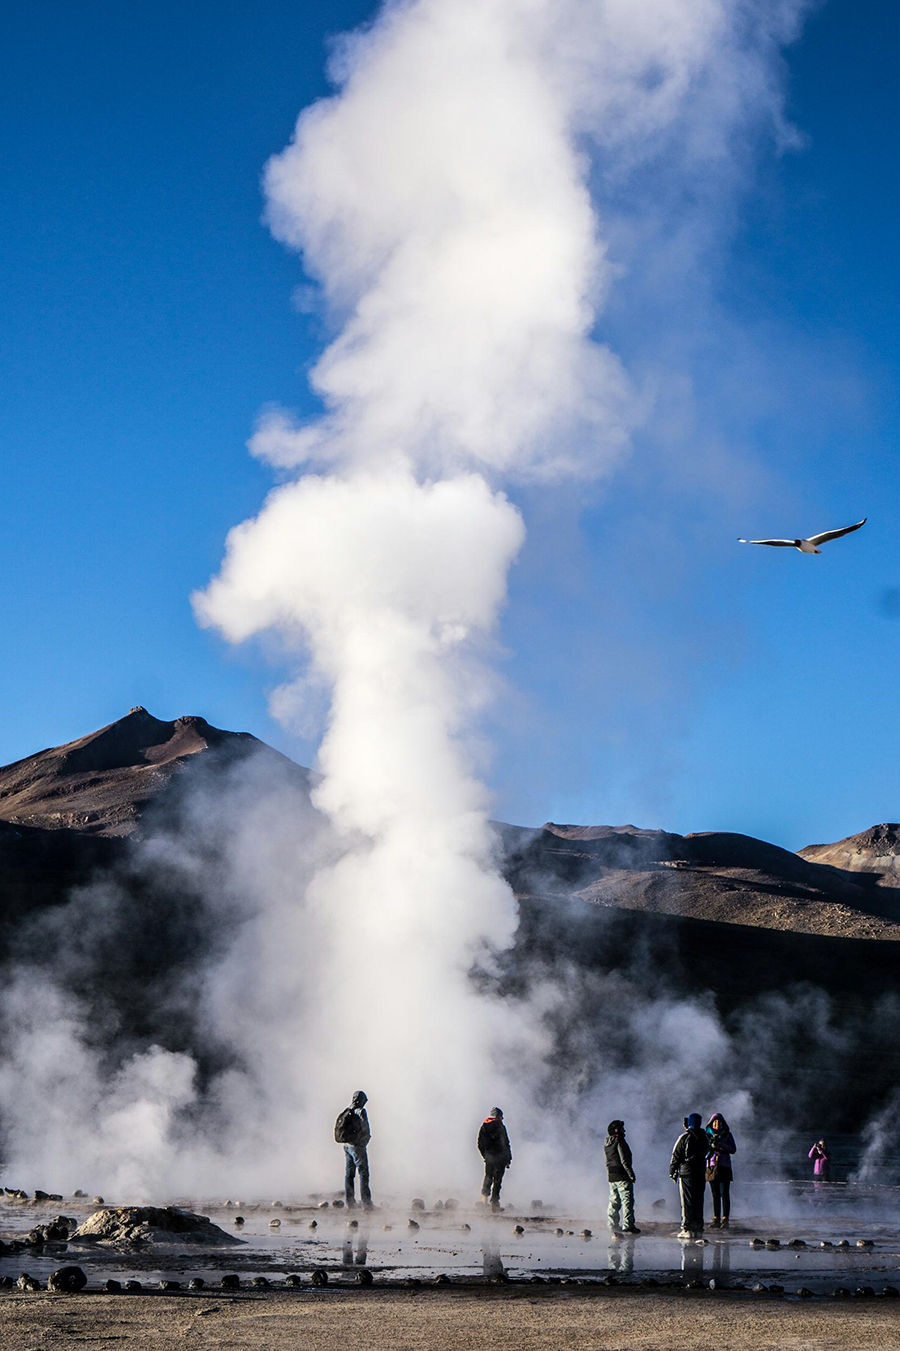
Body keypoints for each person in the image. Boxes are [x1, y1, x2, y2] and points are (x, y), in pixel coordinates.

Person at [670, 1113, 707, 1239]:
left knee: (687, 1202)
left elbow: (675, 1156)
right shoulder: (704, 1137)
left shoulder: (685, 1137)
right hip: (701, 1172)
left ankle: (687, 1229)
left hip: (686, 1173)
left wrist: (672, 1172)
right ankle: (698, 1229)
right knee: (699, 1200)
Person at [334, 1090, 372, 1209]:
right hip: (357, 1146)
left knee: (349, 1174)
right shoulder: (360, 1111)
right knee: (363, 1173)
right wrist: (364, 1141)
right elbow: (365, 1127)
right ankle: (366, 1203)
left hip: (346, 1146)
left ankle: (350, 1202)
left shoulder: (347, 1110)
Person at [605, 1119, 640, 1235]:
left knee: (613, 1202)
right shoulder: (620, 1142)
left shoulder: (607, 1143)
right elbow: (624, 1160)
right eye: (622, 1128)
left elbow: (607, 1162)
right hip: (622, 1176)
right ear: (617, 1130)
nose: (624, 1131)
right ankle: (628, 1225)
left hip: (612, 1176)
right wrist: (631, 1174)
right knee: (627, 1202)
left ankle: (612, 1225)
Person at [705, 1112, 736, 1228]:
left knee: (724, 1193)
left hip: (724, 1166)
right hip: (711, 1166)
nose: (717, 1124)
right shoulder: (706, 1135)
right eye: (715, 1122)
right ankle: (716, 1218)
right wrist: (711, 1146)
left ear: (722, 1123)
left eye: (719, 1122)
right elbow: (702, 1151)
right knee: (715, 1194)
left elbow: (733, 1149)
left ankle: (725, 1219)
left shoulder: (727, 1135)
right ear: (711, 1123)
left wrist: (722, 1145)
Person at [477, 1107, 512, 1212]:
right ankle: (494, 1204)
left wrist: (485, 1155)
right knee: (497, 1180)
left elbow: (480, 1144)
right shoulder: (500, 1127)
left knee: (488, 1177)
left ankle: (484, 1201)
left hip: (489, 1157)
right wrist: (508, 1158)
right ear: (499, 1116)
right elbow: (505, 1144)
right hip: (500, 1157)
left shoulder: (484, 1126)